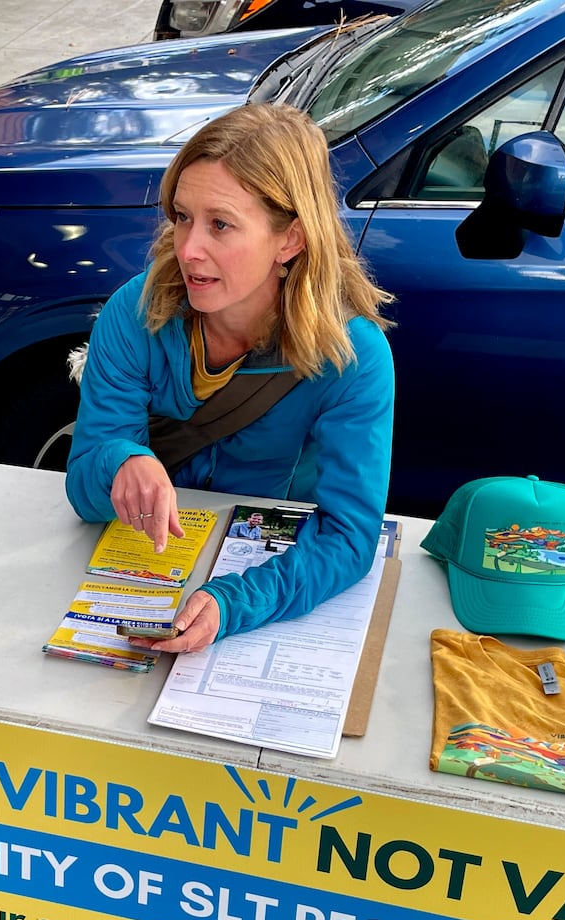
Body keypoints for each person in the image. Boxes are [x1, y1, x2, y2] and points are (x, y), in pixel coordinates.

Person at [65, 103, 395, 654]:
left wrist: (233, 603)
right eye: (182, 216)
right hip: (137, 575)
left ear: (290, 239)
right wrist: (121, 460)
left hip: (275, 587)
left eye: (220, 224)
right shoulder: (136, 310)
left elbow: (349, 537)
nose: (188, 249)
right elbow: (83, 491)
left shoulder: (352, 354)